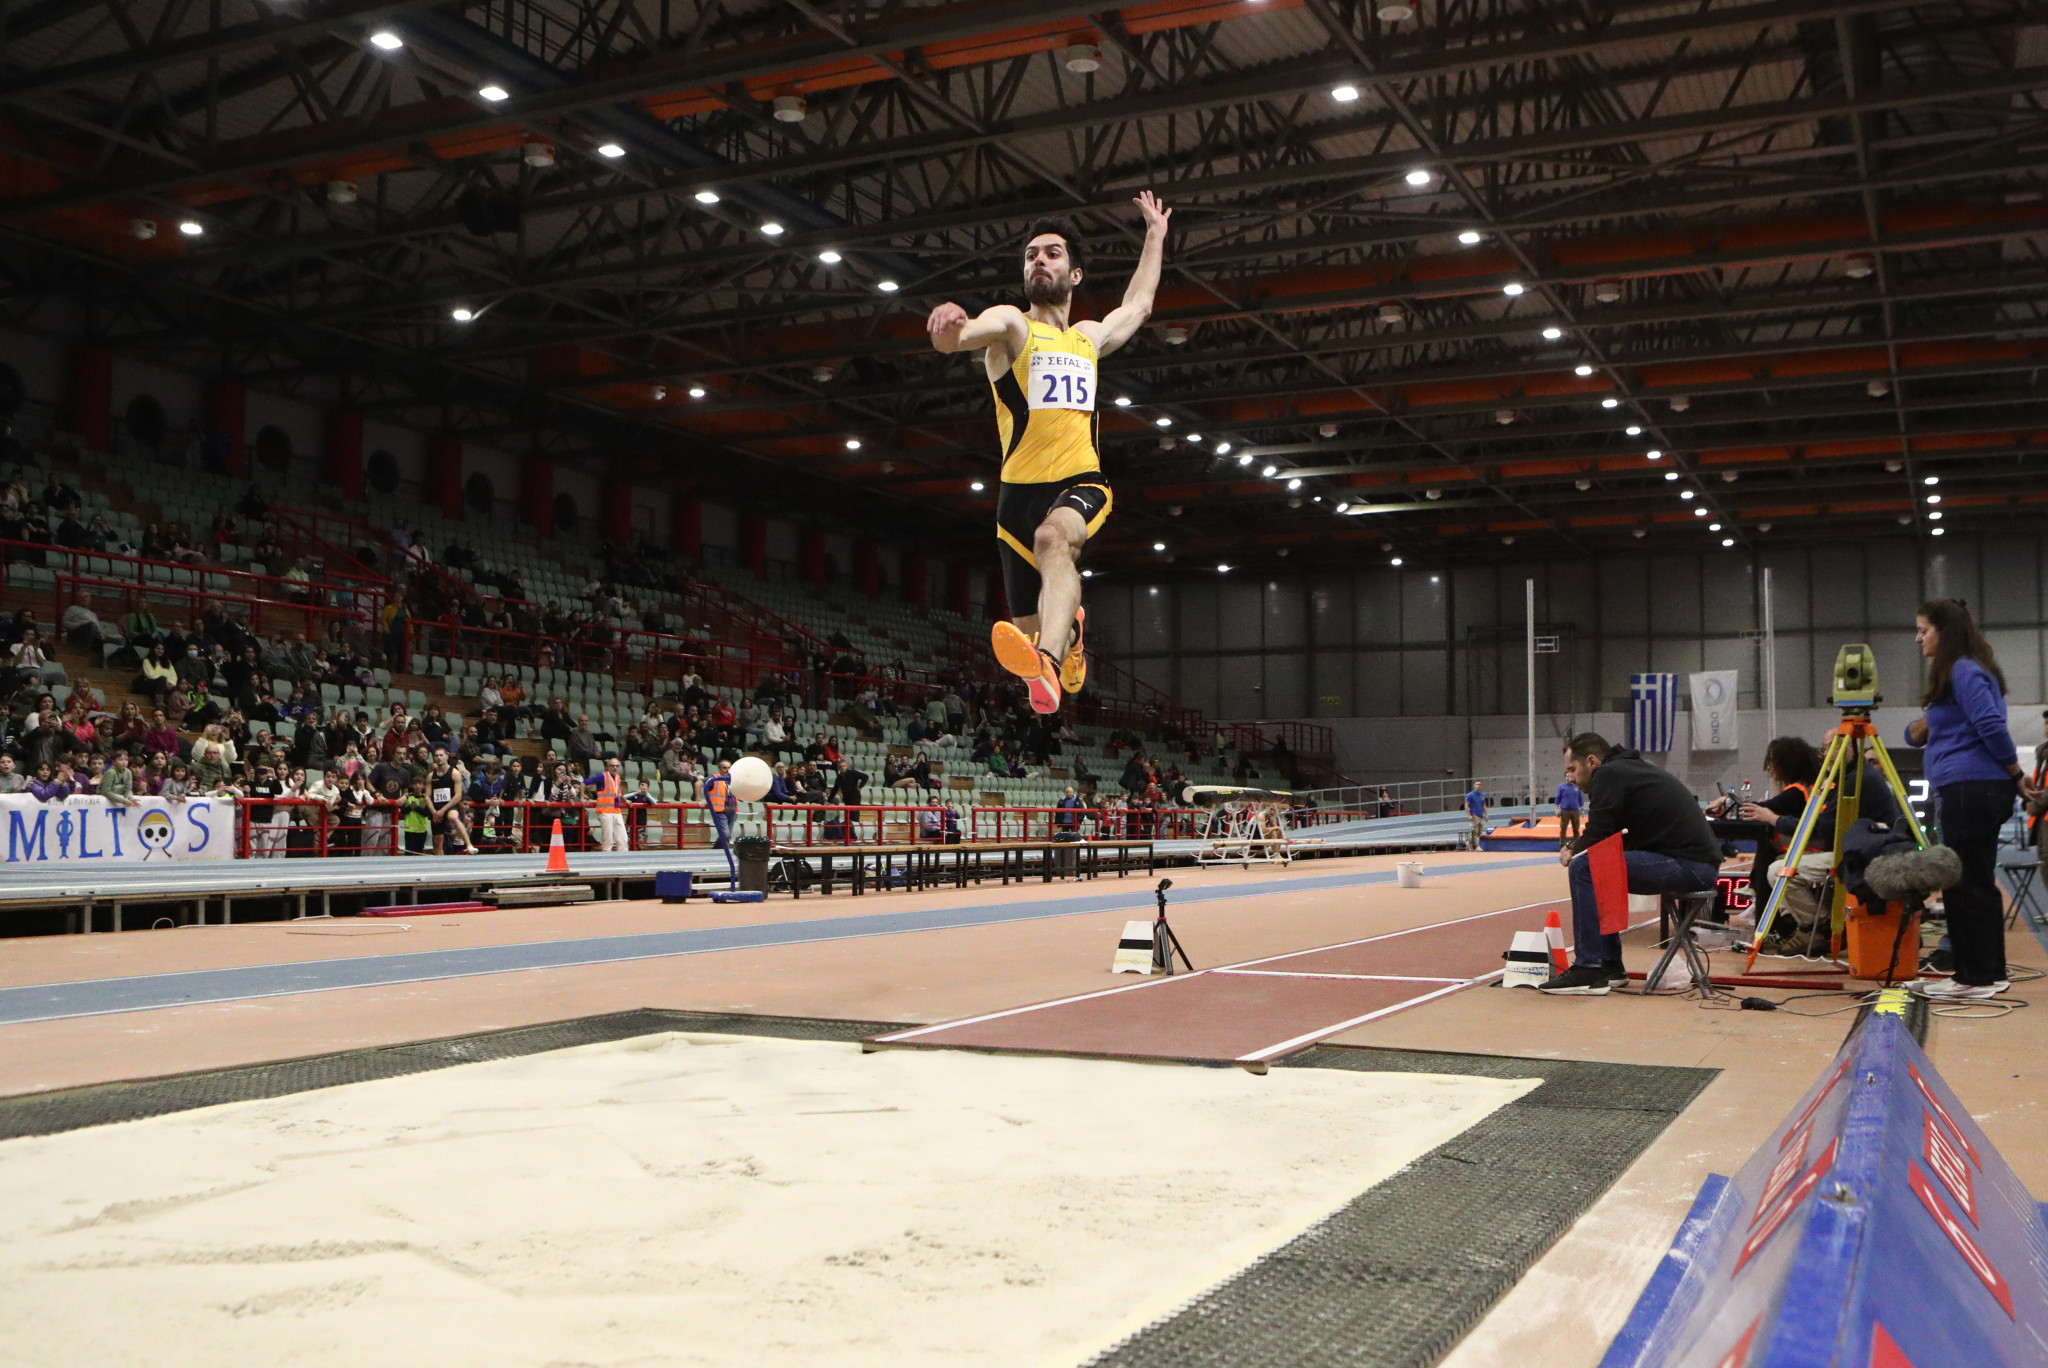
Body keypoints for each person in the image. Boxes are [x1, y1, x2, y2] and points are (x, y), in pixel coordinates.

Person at [925, 192, 1172, 713]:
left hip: (1081, 482)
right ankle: (1068, 638)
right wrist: (950, 326)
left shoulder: (1087, 338)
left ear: (1075, 274)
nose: (1039, 259)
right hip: (1014, 501)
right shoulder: (1013, 325)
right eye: (1031, 254)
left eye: (1052, 252)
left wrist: (1155, 235)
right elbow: (964, 335)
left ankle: (1051, 663)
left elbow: (1139, 305)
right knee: (1031, 612)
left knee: (1053, 539)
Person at [1903, 599, 2038, 1000]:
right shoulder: (1955, 677)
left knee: (1966, 882)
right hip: (1966, 787)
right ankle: (1980, 972)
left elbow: (1992, 726)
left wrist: (2015, 773)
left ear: (1943, 632)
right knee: (1970, 881)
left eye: (1923, 630)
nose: (1918, 638)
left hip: (1972, 787)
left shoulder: (1964, 669)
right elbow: (1917, 734)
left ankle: (1977, 976)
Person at [1541, 733, 1724, 996]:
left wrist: (1571, 849)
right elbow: (1610, 838)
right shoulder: (1627, 771)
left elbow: (1598, 834)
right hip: (1695, 864)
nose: (1570, 777)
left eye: (1572, 768)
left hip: (1691, 866)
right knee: (1600, 865)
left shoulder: (1609, 774)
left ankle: (1589, 969)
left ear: (1591, 762)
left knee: (1584, 868)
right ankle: (1610, 965)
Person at [583, 756, 631, 852]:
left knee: (623, 839)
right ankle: (606, 861)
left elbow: (617, 792)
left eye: (617, 766)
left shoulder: (617, 778)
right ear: (608, 767)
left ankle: (623, 862)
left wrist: (624, 800)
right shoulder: (602, 776)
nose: (615, 768)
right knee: (607, 840)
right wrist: (582, 796)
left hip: (616, 811)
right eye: (613, 766)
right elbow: (583, 783)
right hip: (605, 812)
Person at [703, 759, 737, 883]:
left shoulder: (732, 780)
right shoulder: (713, 779)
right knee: (726, 835)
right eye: (724, 768)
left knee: (727, 837)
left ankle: (717, 854)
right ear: (719, 768)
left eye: (729, 768)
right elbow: (698, 784)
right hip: (719, 810)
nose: (727, 770)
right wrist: (698, 799)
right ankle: (718, 855)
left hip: (732, 810)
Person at [1553, 775, 1583, 842]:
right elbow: (1558, 798)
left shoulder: (1577, 787)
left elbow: (1580, 798)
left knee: (1576, 828)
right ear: (1565, 777)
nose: (1568, 777)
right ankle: (1562, 843)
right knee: (1563, 828)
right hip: (1565, 810)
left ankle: (1577, 843)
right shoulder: (1561, 787)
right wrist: (1556, 809)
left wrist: (1582, 809)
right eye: (1567, 776)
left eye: (1570, 776)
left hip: (1575, 810)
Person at [1464, 780, 1487, 850]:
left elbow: (1484, 805)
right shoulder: (1470, 795)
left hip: (1481, 815)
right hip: (1474, 815)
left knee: (1479, 831)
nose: (1478, 786)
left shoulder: (1483, 795)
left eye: (1479, 784)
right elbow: (1466, 805)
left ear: (1481, 786)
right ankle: (1476, 845)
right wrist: (1469, 815)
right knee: (1475, 831)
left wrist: (1486, 814)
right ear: (1474, 785)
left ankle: (1469, 842)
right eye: (1477, 784)